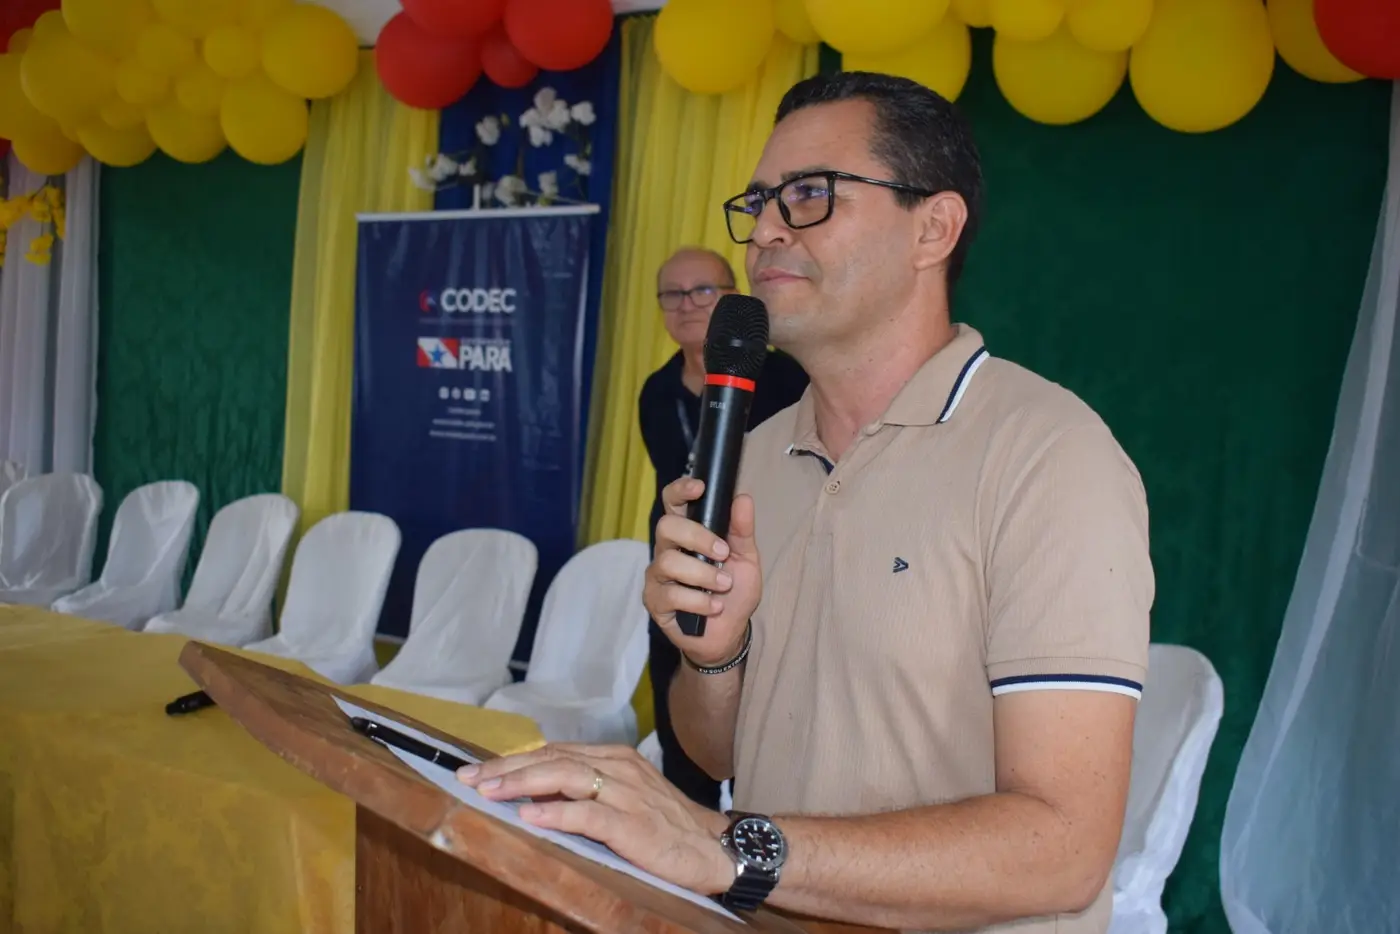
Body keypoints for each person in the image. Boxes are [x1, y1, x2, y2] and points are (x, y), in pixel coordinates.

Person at [458, 71, 1151, 934]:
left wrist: (728, 847)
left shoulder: (1048, 455)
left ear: (933, 228)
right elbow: (719, 752)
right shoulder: (748, 458)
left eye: (811, 194)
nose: (766, 231)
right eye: (758, 202)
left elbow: (1065, 848)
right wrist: (715, 657)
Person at [637, 246, 808, 811]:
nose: (687, 304)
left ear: (735, 298)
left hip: (759, 574)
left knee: (756, 735)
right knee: (680, 726)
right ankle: (687, 829)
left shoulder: (788, 379)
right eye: (673, 294)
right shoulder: (656, 390)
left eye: (703, 291)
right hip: (680, 575)